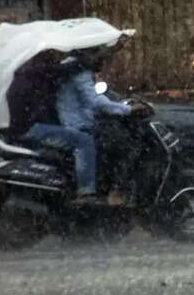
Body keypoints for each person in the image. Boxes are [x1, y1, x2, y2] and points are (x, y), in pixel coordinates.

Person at [24, 40, 149, 205]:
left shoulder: (70, 66)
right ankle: (114, 191)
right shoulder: (78, 70)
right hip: (78, 123)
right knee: (126, 144)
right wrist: (129, 110)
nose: (104, 62)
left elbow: (92, 96)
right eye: (100, 56)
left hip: (74, 119)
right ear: (89, 53)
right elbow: (94, 101)